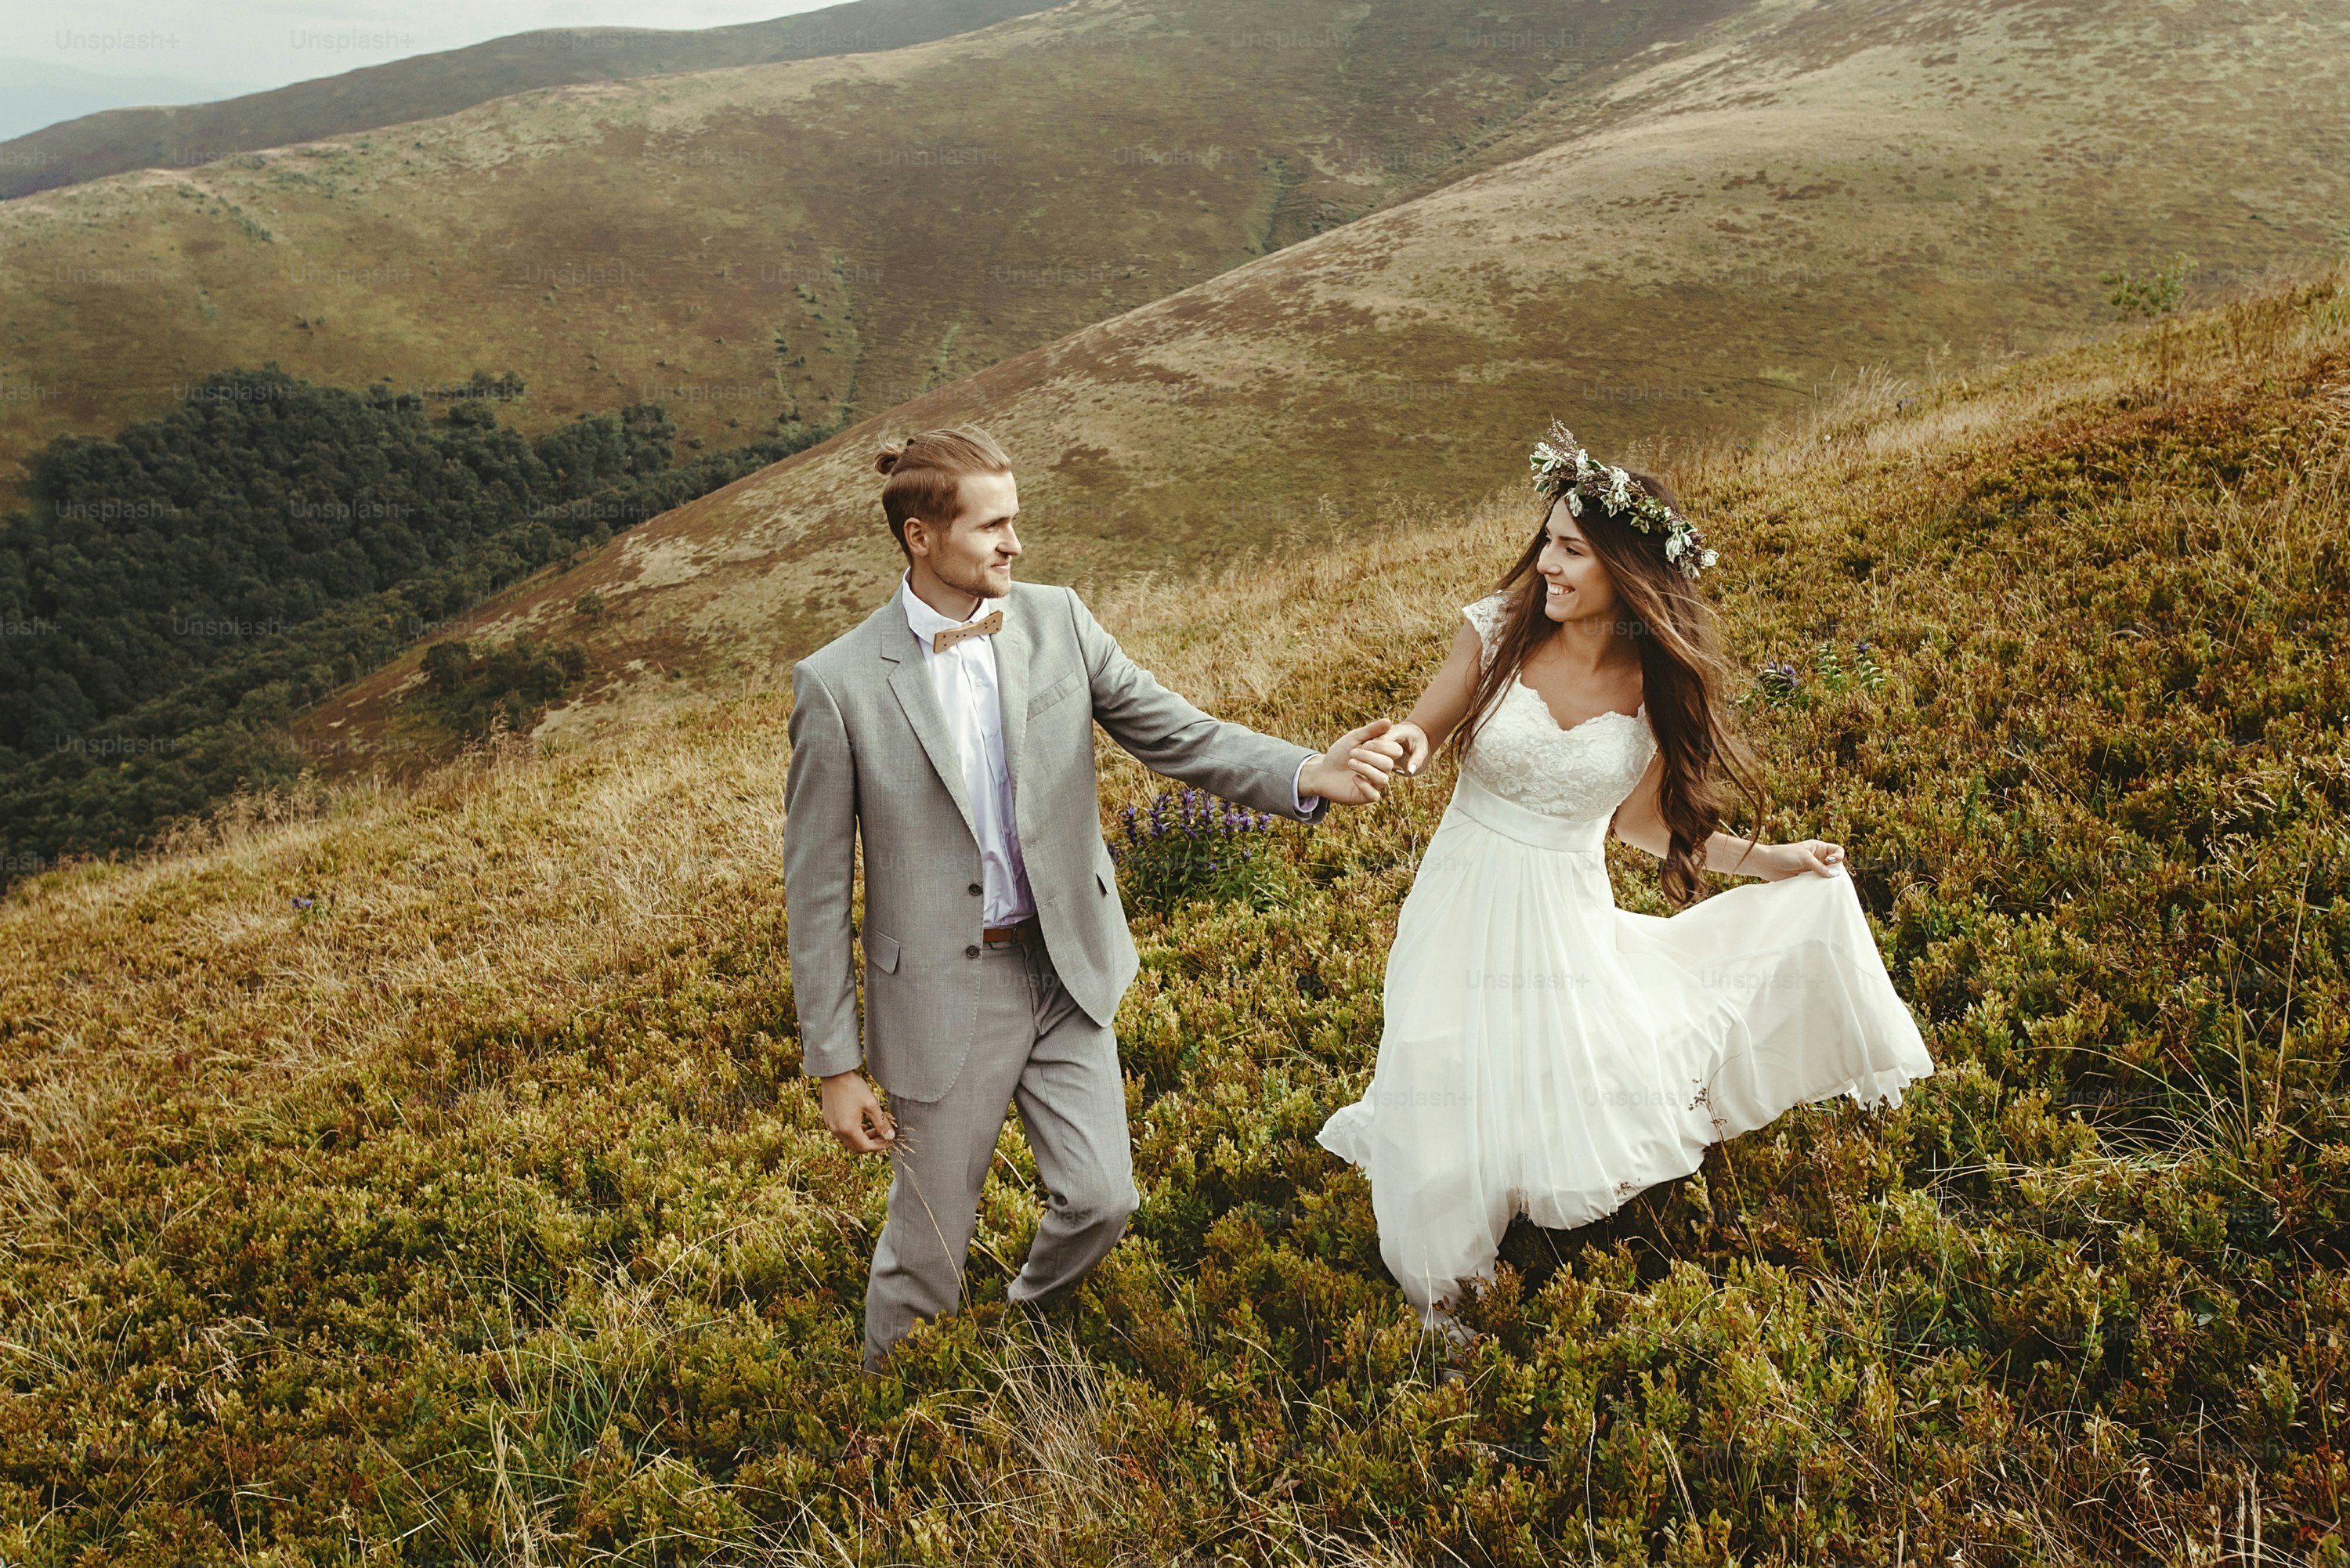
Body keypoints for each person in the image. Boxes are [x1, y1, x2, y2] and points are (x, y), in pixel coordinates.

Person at [785, 425, 1407, 1372]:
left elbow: (1179, 733)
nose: (1015, 543)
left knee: (1102, 1198)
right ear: (921, 536)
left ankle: (1026, 1333)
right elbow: (818, 890)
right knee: (928, 1248)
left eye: (1016, 520)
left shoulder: (1059, 620)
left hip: (1067, 963)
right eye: (992, 526)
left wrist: (1306, 772)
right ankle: (891, 1412)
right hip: (944, 995)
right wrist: (836, 1064)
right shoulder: (836, 684)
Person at [1315, 420, 1934, 1353]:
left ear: (1626, 566)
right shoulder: (1496, 632)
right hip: (1461, 889)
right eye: (1548, 542)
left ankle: (1509, 1191)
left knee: (1543, 1057)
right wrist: (1398, 746)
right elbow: (1425, 729)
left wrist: (1772, 859)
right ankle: (1441, 1290)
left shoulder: (1653, 684)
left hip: (1563, 911)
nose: (1547, 563)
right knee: (1438, 1057)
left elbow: (1644, 825)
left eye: (1571, 549)